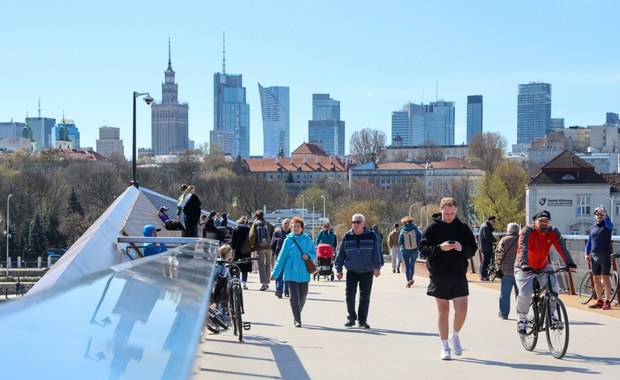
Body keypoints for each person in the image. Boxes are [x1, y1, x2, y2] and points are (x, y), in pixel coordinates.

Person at [418, 197, 477, 360]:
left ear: (456, 211)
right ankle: (444, 346)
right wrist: (440, 248)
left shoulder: (463, 228)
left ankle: (455, 335)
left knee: (462, 310)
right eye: (446, 214)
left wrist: (461, 247)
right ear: (441, 210)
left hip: (458, 274)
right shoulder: (432, 228)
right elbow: (423, 249)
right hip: (439, 274)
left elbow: (472, 249)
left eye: (452, 214)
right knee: (443, 311)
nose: (449, 217)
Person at [515, 210, 577, 335]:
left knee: (554, 287)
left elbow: (561, 248)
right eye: (541, 221)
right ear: (535, 222)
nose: (544, 223)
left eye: (546, 221)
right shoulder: (527, 231)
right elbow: (523, 247)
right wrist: (524, 263)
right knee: (525, 293)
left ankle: (551, 314)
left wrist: (569, 262)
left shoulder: (553, 232)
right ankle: (521, 318)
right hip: (524, 266)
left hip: (543, 266)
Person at [335, 213, 382, 329]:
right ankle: (351, 318)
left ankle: (362, 320)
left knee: (365, 297)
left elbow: (376, 252)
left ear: (363, 223)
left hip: (367, 270)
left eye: (358, 222)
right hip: (352, 270)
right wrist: (338, 269)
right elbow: (341, 254)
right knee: (349, 295)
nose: (355, 224)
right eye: (353, 222)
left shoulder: (371, 236)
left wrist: (377, 267)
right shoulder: (347, 236)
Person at [271, 216, 316, 327]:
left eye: (298, 226)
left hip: (304, 274)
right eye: (294, 226)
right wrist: (275, 274)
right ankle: (297, 319)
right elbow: (281, 258)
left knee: (303, 297)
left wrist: (308, 256)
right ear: (291, 228)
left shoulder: (307, 239)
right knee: (294, 297)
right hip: (291, 274)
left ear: (302, 228)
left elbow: (314, 252)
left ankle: (297, 314)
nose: (296, 228)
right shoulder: (288, 240)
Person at [585, 206, 614, 310]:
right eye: (598, 214)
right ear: (594, 216)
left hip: (604, 254)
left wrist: (606, 215)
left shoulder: (607, 226)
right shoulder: (591, 228)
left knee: (605, 278)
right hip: (594, 255)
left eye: (601, 214)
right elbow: (589, 241)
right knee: (596, 278)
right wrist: (586, 253)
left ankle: (607, 301)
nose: (599, 216)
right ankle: (599, 300)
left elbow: (610, 225)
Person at [495, 222, 521, 319]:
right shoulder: (522, 240)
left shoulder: (504, 240)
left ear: (508, 230)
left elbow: (498, 256)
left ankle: (504, 313)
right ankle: (521, 314)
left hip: (506, 271)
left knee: (505, 294)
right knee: (520, 295)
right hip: (520, 272)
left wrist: (498, 268)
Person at [249, 210, 275, 291]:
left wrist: (252, 245)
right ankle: (267, 281)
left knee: (261, 264)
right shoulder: (269, 224)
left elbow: (252, 235)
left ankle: (264, 283)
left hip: (260, 247)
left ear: (256, 216)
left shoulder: (255, 224)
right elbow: (273, 235)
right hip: (269, 247)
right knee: (268, 264)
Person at [399, 216, 423, 288]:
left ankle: (408, 280)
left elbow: (400, 242)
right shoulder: (415, 229)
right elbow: (422, 236)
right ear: (411, 221)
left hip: (405, 250)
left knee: (407, 265)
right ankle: (411, 278)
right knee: (412, 265)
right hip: (414, 250)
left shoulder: (403, 230)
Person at [271, 218, 292, 298]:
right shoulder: (277, 232)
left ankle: (287, 291)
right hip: (279, 256)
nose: (286, 225)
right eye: (285, 223)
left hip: (289, 257)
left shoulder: (292, 234)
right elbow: (272, 243)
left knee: (287, 274)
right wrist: (274, 252)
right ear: (282, 224)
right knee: (279, 273)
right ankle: (279, 290)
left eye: (288, 223)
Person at [231, 216, 252, 290]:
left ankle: (237, 281)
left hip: (238, 250)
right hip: (246, 251)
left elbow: (233, 242)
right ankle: (244, 283)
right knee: (245, 267)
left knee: (237, 266)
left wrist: (233, 248)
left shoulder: (236, 229)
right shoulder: (249, 230)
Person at [479, 215, 497, 281]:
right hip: (486, 247)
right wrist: (495, 240)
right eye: (494, 221)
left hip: (484, 246)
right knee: (486, 261)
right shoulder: (486, 227)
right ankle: (484, 275)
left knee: (484, 261)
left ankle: (482, 274)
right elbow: (487, 237)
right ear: (491, 220)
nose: (494, 223)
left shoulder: (483, 226)